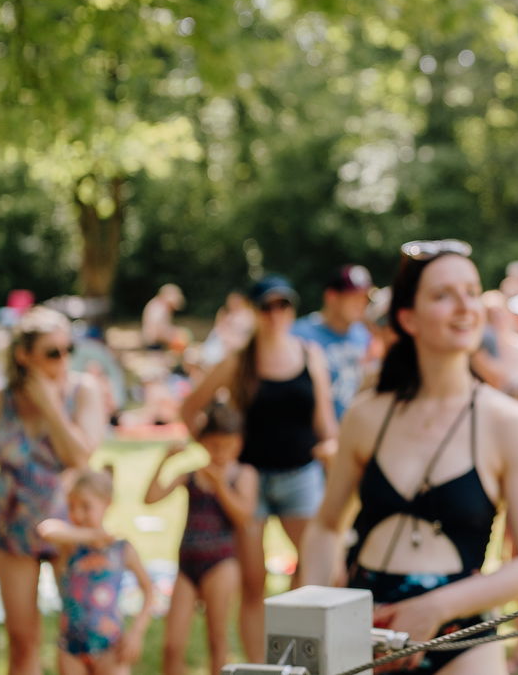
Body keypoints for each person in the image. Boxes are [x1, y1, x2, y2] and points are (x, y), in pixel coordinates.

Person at [299, 239, 518, 674]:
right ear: (408, 318)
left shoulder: (507, 422)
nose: (465, 306)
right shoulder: (367, 416)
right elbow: (326, 525)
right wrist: (319, 608)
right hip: (363, 630)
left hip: (461, 635)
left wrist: (434, 608)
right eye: (443, 295)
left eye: (472, 292)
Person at [180, 274, 337, 662]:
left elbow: (325, 422)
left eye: (283, 305)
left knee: (314, 573)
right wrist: (217, 451)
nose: (275, 314)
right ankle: (259, 665)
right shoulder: (237, 361)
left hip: (301, 476)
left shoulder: (308, 353)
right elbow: (189, 409)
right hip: (250, 479)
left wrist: (332, 454)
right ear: (253, 311)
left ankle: (302, 657)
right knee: (254, 585)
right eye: (267, 306)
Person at [0, 307, 106, 675]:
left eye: (69, 349)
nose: (64, 359)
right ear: (24, 355)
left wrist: (51, 404)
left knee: (81, 639)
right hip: (12, 530)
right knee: (22, 642)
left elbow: (81, 457)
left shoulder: (83, 391)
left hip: (69, 527)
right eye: (53, 352)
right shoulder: (1, 402)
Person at [144, 401, 259, 675]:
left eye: (227, 446)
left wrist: (220, 485)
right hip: (187, 565)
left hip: (221, 564)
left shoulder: (242, 474)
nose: (220, 453)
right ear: (204, 444)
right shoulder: (192, 475)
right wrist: (164, 461)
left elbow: (244, 516)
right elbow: (150, 499)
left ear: (238, 444)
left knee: (216, 638)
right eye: (214, 446)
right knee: (172, 644)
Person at [38, 468, 155, 675]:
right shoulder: (71, 546)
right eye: (72, 507)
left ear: (107, 503)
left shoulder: (121, 549)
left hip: (111, 647)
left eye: (86, 506)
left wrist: (136, 633)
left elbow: (149, 591)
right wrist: (93, 535)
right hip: (70, 647)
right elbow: (47, 530)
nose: (78, 514)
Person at [294, 264, 377, 422]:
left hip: (354, 434)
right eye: (354, 297)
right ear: (331, 297)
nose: (361, 304)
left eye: (364, 298)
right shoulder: (299, 335)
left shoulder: (365, 336)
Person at [141, 284, 187, 350]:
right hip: (154, 346)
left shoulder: (158, 305)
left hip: (157, 344)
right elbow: (157, 331)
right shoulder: (159, 308)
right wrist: (175, 337)